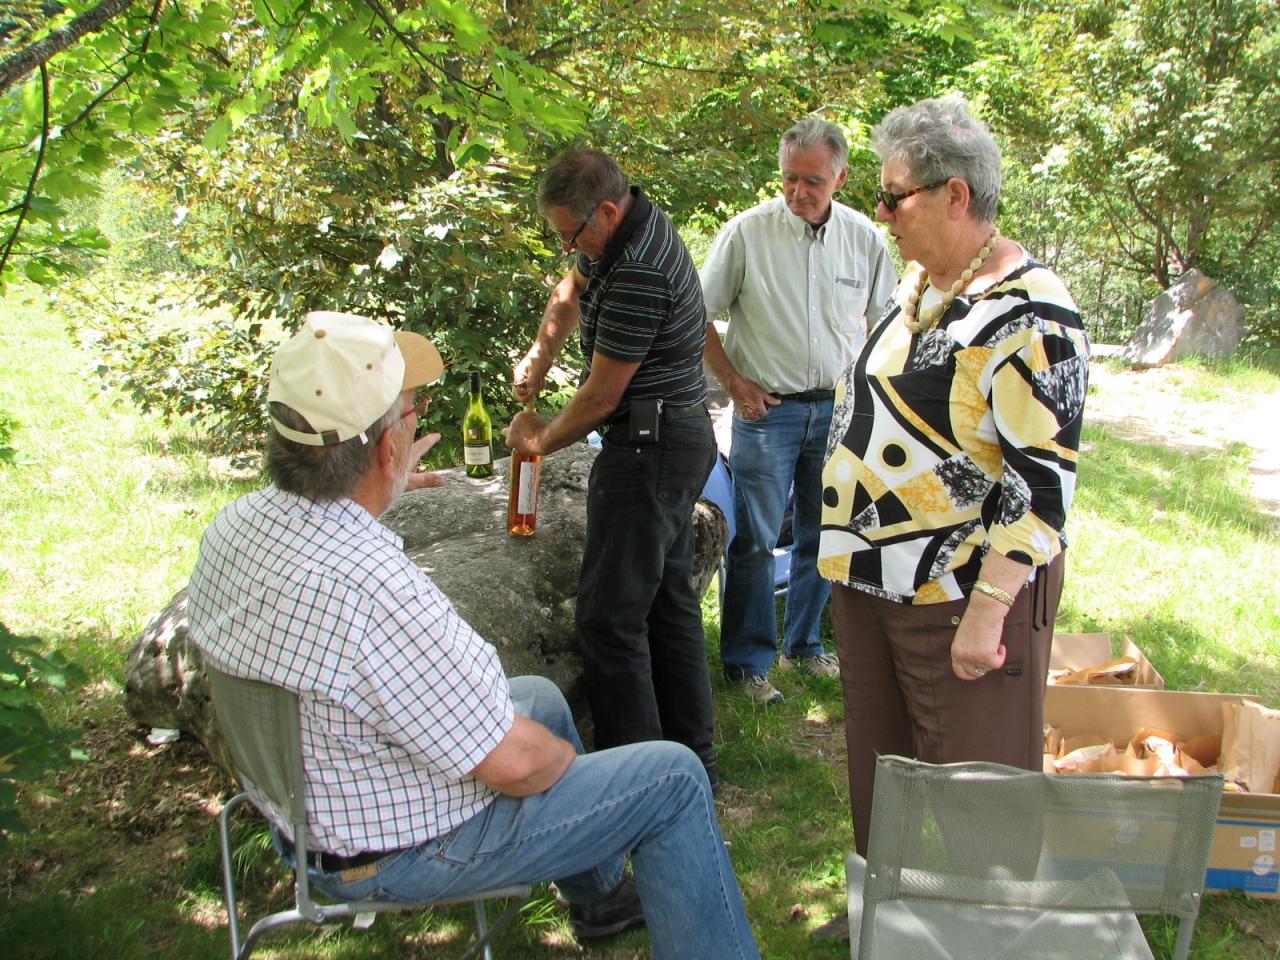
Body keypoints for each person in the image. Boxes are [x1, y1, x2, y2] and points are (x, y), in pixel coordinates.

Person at [187, 312, 759, 959]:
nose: (418, 418)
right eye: (411, 410)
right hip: (393, 849)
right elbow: (518, 765)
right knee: (671, 778)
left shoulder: (236, 528)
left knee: (538, 695)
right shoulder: (372, 584)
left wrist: (375, 496)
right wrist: (577, 777)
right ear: (384, 450)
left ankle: (598, 900)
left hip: (304, 806)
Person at [817, 96, 1090, 856]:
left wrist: (988, 611)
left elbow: (1043, 488)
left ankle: (987, 924)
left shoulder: (1032, 314)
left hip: (958, 594)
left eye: (892, 195)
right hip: (874, 579)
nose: (880, 212)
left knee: (982, 800)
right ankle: (891, 911)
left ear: (955, 195)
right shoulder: (927, 288)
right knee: (886, 775)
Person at [504, 150, 720, 785]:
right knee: (667, 604)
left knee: (608, 618)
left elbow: (601, 398)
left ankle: (639, 783)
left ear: (603, 210)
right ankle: (693, 759)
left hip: (650, 449)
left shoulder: (640, 270)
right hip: (674, 437)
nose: (569, 248)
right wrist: (540, 355)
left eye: (570, 234)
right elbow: (570, 290)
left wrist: (538, 441)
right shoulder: (620, 229)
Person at [700, 117, 898, 705]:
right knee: (755, 540)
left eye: (812, 180)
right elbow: (697, 314)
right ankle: (747, 663)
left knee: (825, 536)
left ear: (840, 176)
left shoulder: (865, 239)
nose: (797, 192)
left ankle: (806, 646)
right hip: (768, 412)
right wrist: (735, 384)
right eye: (788, 179)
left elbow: (887, 327)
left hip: (839, 411)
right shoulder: (747, 234)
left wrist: (872, 400)